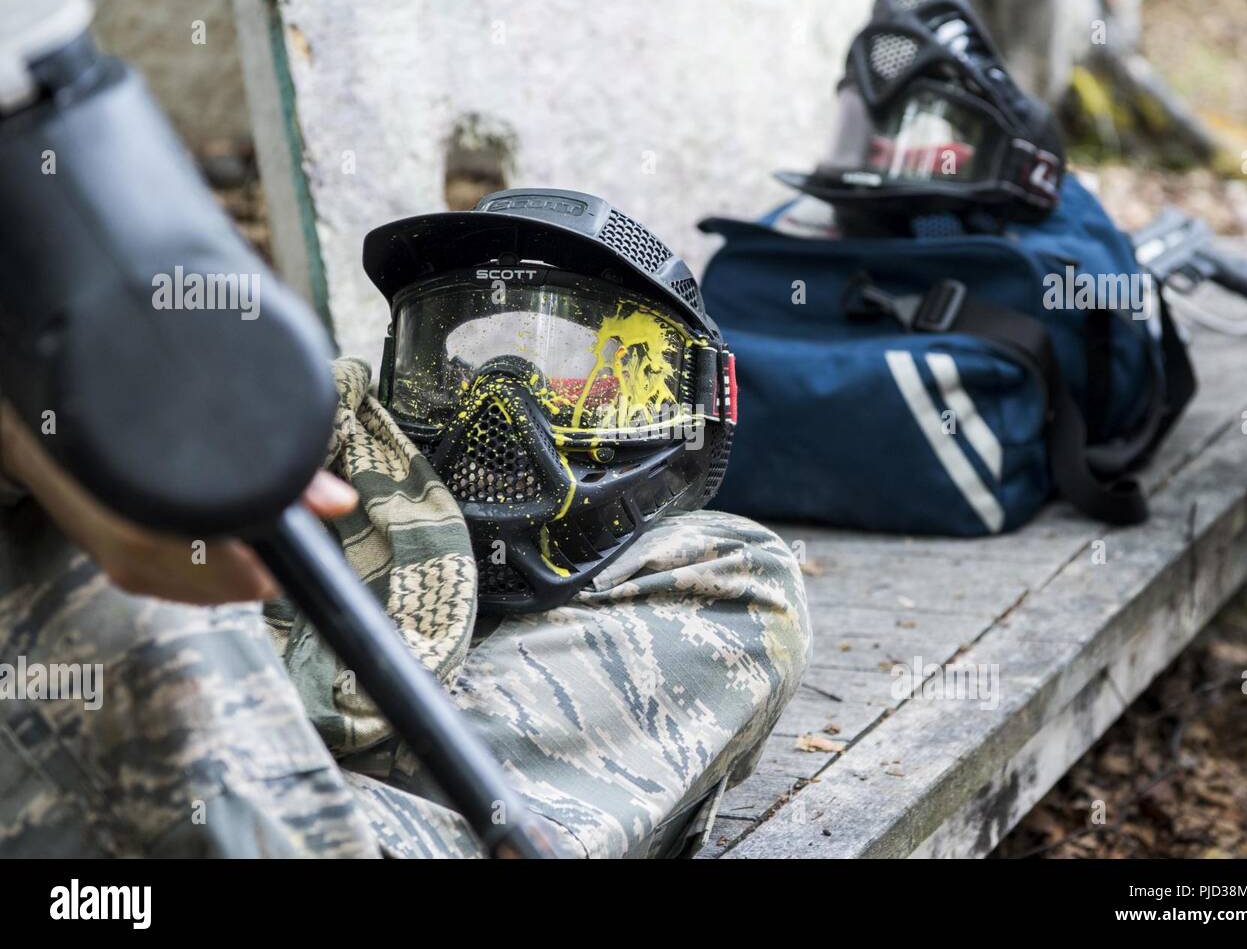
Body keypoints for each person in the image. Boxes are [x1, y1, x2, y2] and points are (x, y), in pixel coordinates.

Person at [0, 223, 811, 857]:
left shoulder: (709, 574)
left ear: (689, 403)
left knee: (744, 573)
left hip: (227, 805)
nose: (500, 408)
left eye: (576, 380)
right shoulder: (310, 433)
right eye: (456, 358)